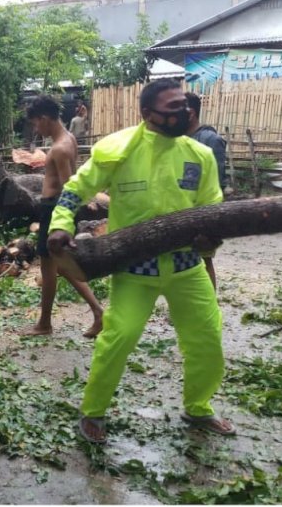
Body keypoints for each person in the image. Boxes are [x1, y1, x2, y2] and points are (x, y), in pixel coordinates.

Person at [45, 78, 235, 443]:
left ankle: (198, 406)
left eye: (185, 105)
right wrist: (60, 225)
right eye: (173, 108)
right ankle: (93, 412)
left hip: (186, 269)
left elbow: (212, 210)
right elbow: (74, 191)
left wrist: (209, 241)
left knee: (207, 338)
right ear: (148, 114)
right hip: (135, 269)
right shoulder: (117, 149)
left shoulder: (200, 156)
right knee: (119, 337)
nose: (185, 113)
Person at [21, 96, 104, 338]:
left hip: (54, 210)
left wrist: (62, 218)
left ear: (44, 119)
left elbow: (69, 185)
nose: (37, 129)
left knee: (48, 269)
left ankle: (44, 324)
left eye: (36, 124)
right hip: (56, 209)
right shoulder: (69, 139)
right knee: (61, 265)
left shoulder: (59, 148)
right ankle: (98, 311)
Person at [185, 92, 228, 290]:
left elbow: (217, 181)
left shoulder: (211, 140)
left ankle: (210, 302)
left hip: (203, 210)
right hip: (183, 210)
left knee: (204, 259)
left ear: (191, 113)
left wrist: (210, 217)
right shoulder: (180, 139)